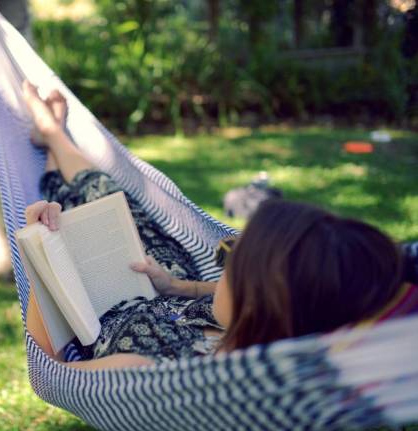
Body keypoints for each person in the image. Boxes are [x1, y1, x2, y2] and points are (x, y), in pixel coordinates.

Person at [21, 81, 417, 370]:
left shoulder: (150, 372)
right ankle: (53, 136)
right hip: (161, 284)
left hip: (95, 302)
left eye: (231, 263)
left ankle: (52, 134)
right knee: (115, 206)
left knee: (89, 208)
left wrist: (44, 265)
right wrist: (178, 286)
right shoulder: (251, 326)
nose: (222, 268)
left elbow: (53, 371)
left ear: (259, 301)